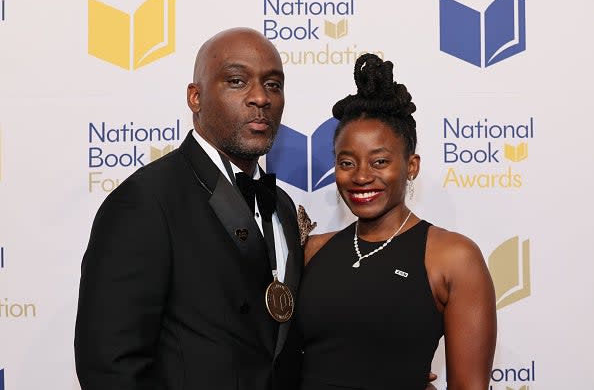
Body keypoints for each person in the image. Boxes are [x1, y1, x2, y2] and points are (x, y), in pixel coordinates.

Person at [74, 27, 304, 390]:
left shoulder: (285, 207)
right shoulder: (145, 201)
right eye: (236, 81)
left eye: (273, 85)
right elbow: (110, 366)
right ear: (195, 97)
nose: (260, 97)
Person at [297, 54, 497, 390]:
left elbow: (469, 385)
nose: (361, 176)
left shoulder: (453, 257)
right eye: (347, 162)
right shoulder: (313, 249)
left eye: (379, 161)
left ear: (411, 166)